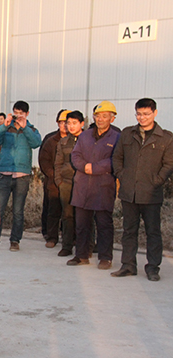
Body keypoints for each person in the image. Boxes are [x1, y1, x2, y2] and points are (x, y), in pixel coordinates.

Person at [111, 98, 173, 281]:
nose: (142, 117)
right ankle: (128, 265)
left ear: (154, 113)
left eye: (146, 114)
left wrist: (158, 181)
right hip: (129, 192)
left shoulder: (166, 138)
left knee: (153, 232)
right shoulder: (127, 134)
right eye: (139, 114)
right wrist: (122, 175)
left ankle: (153, 268)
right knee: (129, 231)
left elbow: (169, 164)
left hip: (151, 193)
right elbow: (117, 158)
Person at [68, 102, 120, 268]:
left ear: (112, 118)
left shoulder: (117, 137)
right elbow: (75, 155)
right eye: (98, 116)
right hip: (83, 185)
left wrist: (95, 167)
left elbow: (116, 160)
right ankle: (81, 255)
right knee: (82, 224)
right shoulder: (85, 136)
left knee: (104, 224)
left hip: (103, 186)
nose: (100, 119)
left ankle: (105, 257)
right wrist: (84, 166)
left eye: (105, 116)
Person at [0, 101, 42, 251]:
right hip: (4, 173)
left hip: (22, 174)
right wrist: (4, 125)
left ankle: (15, 240)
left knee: (18, 211)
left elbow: (36, 143)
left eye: (21, 113)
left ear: (27, 114)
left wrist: (25, 127)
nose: (18, 115)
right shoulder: (6, 128)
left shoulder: (31, 129)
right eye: (16, 112)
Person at [54, 111, 85, 258]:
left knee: (84, 216)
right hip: (66, 182)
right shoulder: (63, 142)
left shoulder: (88, 140)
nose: (71, 126)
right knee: (67, 215)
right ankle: (66, 246)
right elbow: (58, 163)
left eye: (74, 123)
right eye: (69, 123)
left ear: (82, 124)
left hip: (84, 183)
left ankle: (85, 246)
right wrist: (59, 181)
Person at [39, 109, 70, 247]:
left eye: (67, 122)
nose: (64, 125)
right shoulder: (51, 140)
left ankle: (69, 238)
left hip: (70, 183)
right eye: (62, 122)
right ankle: (51, 237)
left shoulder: (77, 140)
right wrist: (54, 176)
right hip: (53, 182)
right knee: (53, 211)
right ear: (57, 123)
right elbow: (43, 161)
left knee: (69, 213)